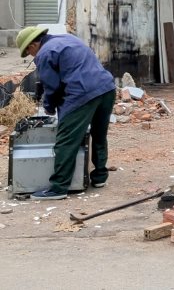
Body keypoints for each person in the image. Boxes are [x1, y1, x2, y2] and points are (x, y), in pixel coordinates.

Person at [15, 26, 117, 200]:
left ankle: (59, 187)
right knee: (99, 134)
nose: (31, 56)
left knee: (66, 141)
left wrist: (48, 107)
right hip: (106, 88)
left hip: (83, 93)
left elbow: (52, 87)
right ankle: (100, 176)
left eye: (28, 52)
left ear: (32, 45)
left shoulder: (45, 53)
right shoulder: (68, 39)